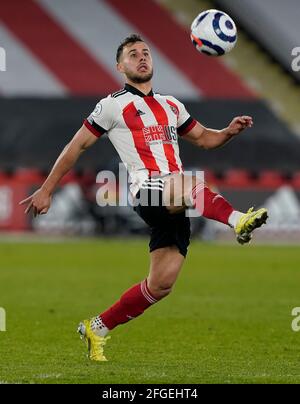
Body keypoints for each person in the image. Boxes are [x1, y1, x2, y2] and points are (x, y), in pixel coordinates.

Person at [20, 34, 268, 362]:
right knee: (188, 181)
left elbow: (205, 139)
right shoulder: (112, 105)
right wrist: (47, 189)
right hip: (147, 190)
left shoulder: (171, 105)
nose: (141, 57)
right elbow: (76, 146)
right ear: (120, 67)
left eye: (146, 52)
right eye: (133, 54)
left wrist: (228, 132)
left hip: (175, 200)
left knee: (161, 284)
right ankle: (239, 222)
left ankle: (97, 327)